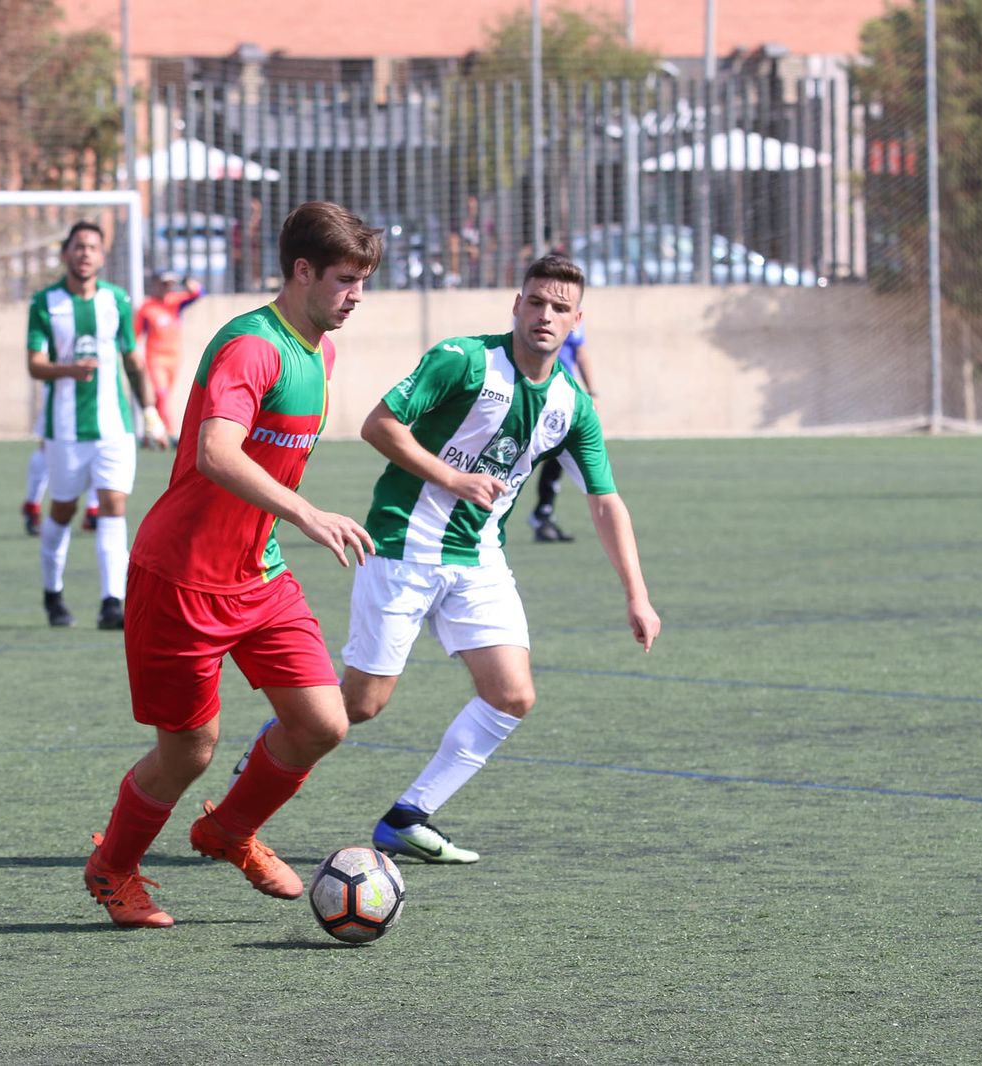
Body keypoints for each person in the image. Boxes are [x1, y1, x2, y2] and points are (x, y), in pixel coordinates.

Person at [229, 255, 659, 865]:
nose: (545, 315)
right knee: (358, 707)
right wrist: (451, 477)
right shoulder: (464, 360)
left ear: (576, 320)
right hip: (403, 546)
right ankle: (263, 758)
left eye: (559, 308)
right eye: (535, 301)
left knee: (512, 696)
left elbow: (605, 502)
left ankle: (408, 817)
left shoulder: (572, 404)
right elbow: (378, 426)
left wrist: (636, 595)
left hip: (479, 559)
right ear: (516, 304)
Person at [81, 202, 383, 928]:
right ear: (302, 271)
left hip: (260, 575)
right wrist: (306, 512)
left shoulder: (322, 350)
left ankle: (227, 830)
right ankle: (113, 869)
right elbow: (216, 452)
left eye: (363, 281)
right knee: (188, 750)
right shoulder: (252, 345)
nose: (357, 296)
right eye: (345, 279)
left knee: (322, 722)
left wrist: (283, 525)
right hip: (181, 577)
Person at [26, 220, 167, 629]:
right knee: (64, 509)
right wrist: (68, 369)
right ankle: (53, 594)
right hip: (65, 428)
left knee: (113, 507)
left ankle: (112, 602)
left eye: (92, 247)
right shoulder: (45, 302)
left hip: (114, 428)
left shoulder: (118, 301)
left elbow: (132, 360)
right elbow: (34, 365)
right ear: (65, 254)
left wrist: (150, 412)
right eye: (78, 246)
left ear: (102, 257)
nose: (85, 253)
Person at [528, 320, 596, 543]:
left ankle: (543, 513)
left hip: (561, 398)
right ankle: (541, 514)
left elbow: (581, 353)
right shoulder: (537, 316)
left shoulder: (571, 319)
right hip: (540, 393)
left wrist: (591, 392)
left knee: (556, 456)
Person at [133, 272, 205, 439]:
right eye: (163, 284)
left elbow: (199, 293)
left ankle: (153, 432)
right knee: (161, 394)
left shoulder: (176, 301)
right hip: (155, 357)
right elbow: (137, 333)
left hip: (174, 358)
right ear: (155, 284)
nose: (167, 288)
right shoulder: (147, 307)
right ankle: (170, 432)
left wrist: (185, 280)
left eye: (170, 284)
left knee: (164, 397)